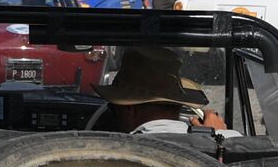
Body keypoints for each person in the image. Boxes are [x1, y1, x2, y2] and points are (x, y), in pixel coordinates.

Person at [92, 46, 236, 135]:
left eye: (114, 109)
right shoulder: (227, 142)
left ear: (129, 110)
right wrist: (217, 136)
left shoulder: (108, 153)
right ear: (178, 105)